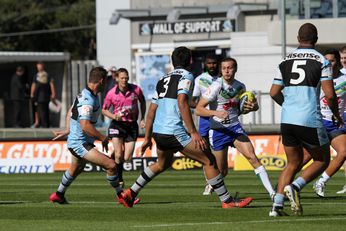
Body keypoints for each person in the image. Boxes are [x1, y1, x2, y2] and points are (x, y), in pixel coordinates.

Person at [119, 46, 253, 208]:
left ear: (172, 61)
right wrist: (193, 132)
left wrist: (147, 137)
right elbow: (182, 101)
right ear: (190, 61)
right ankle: (228, 201)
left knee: (162, 164)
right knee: (209, 160)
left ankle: (130, 193)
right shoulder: (187, 75)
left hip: (159, 131)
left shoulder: (163, 79)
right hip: (174, 131)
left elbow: (151, 111)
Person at [269, 23, 343, 216]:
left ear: (297, 38)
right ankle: (295, 186)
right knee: (322, 159)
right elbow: (330, 95)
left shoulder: (284, 60)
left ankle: (276, 207)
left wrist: (287, 105)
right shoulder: (321, 60)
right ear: (316, 39)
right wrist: (336, 114)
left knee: (292, 163)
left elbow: (274, 92)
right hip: (309, 117)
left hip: (287, 120)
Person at [195, 57, 275, 200]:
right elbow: (199, 110)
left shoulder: (240, 87)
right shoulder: (216, 86)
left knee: (252, 157)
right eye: (224, 68)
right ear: (221, 70)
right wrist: (216, 113)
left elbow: (240, 109)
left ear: (235, 69)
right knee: (222, 171)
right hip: (218, 131)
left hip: (235, 128)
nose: (227, 71)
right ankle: (212, 183)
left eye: (230, 68)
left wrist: (253, 107)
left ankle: (272, 193)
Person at [49, 67, 127, 205]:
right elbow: (85, 125)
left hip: (78, 140)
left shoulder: (84, 95)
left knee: (76, 168)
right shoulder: (88, 99)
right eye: (106, 81)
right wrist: (103, 138)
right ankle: (122, 196)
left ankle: (59, 194)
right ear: (101, 81)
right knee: (111, 165)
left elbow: (71, 111)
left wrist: (68, 129)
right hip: (79, 143)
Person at [102, 68, 146, 187]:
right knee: (119, 155)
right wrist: (114, 116)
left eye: (126, 78)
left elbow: (142, 102)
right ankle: (119, 178)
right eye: (122, 78)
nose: (124, 80)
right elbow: (104, 110)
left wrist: (142, 118)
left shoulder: (136, 89)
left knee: (126, 158)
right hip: (117, 125)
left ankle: (113, 155)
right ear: (117, 78)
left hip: (131, 125)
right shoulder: (111, 93)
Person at [313, 47, 346, 197]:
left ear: (338, 62)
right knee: (304, 158)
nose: (329, 64)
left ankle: (321, 182)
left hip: (335, 123)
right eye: (326, 61)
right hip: (320, 121)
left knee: (343, 152)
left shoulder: (344, 79)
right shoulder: (319, 79)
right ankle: (287, 185)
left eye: (332, 61)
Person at [190, 53, 221, 195]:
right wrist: (198, 106)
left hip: (220, 118)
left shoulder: (223, 79)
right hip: (204, 119)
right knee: (205, 151)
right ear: (205, 64)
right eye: (209, 63)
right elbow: (193, 100)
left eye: (214, 63)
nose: (212, 66)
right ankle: (209, 182)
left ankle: (214, 180)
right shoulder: (199, 79)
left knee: (218, 151)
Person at [30, 61, 56, 128]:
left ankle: (45, 124)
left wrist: (53, 93)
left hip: (45, 95)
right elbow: (33, 85)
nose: (38, 68)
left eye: (40, 66)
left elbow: (51, 84)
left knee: (44, 110)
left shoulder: (47, 75)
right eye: (37, 66)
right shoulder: (36, 75)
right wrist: (32, 94)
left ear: (43, 66)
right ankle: (39, 123)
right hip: (38, 96)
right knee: (39, 110)